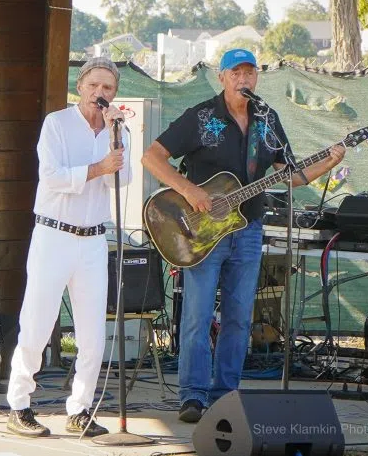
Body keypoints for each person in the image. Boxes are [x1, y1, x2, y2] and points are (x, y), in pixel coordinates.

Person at [141, 49, 344, 423]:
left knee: (238, 318)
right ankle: (193, 395)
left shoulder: (267, 119)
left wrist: (326, 163)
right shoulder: (201, 117)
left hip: (247, 229)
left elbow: (290, 175)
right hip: (200, 232)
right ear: (222, 77)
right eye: (236, 73)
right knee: (198, 316)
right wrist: (189, 191)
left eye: (250, 72)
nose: (243, 79)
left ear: (257, 78)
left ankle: (225, 396)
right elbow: (152, 157)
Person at [5, 57, 131, 438]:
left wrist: (114, 138)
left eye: (107, 88)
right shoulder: (57, 123)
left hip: (93, 239)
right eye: (94, 85)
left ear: (114, 93)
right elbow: (52, 177)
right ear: (80, 87)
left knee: (92, 333)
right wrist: (99, 167)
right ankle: (19, 405)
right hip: (54, 234)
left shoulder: (117, 130)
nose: (99, 93)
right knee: (37, 323)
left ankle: (80, 408)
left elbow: (122, 180)